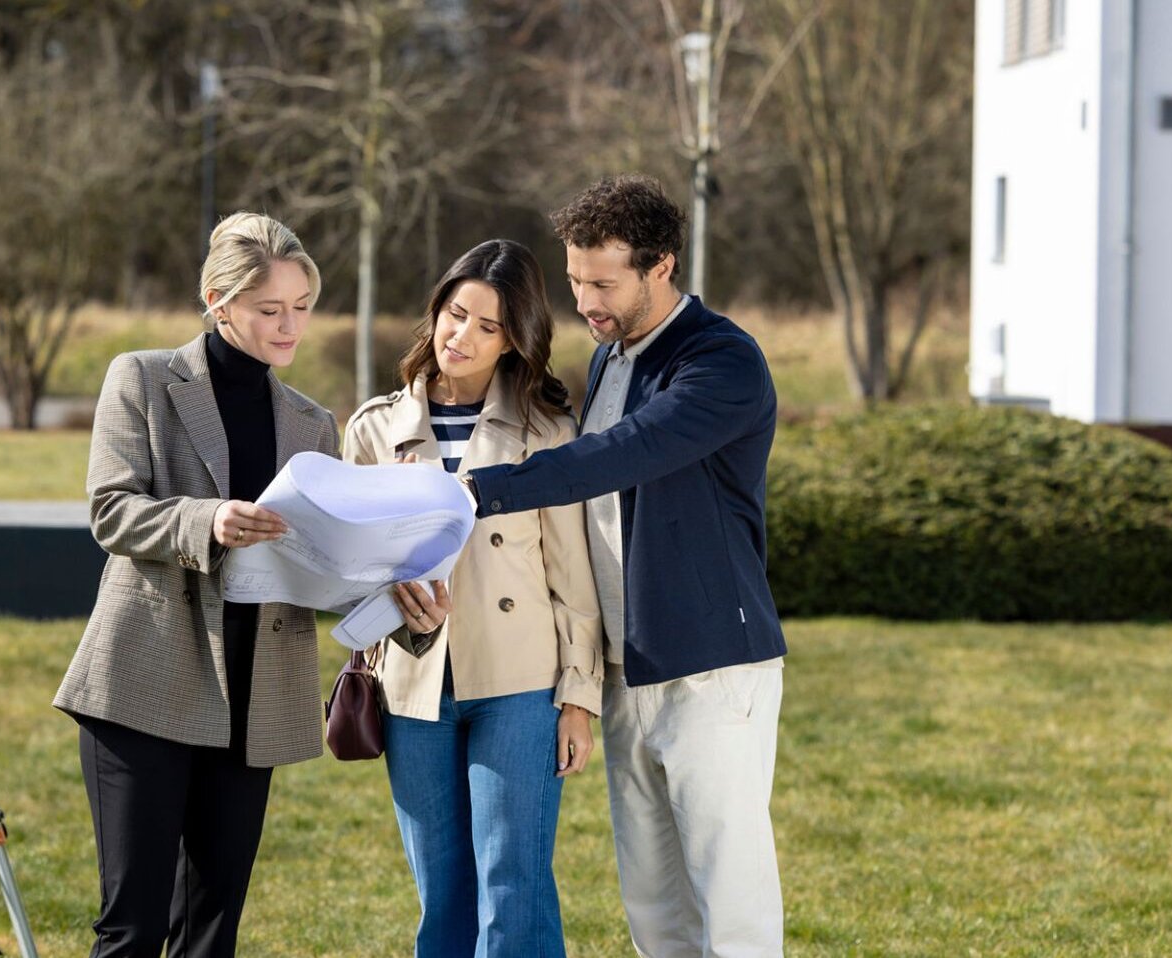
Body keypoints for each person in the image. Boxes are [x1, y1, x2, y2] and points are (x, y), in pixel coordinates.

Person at [54, 211, 449, 958]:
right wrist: (209, 521)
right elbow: (112, 511)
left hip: (255, 698)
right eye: (271, 310)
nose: (289, 325)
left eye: (301, 307)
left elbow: (323, 568)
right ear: (218, 299)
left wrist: (406, 612)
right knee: (132, 926)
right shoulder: (140, 379)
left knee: (213, 930)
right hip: (144, 681)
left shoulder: (310, 424)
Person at [461, 175, 787, 957]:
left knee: (728, 897)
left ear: (661, 265)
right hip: (626, 667)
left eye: (603, 283)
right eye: (575, 281)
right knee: (652, 902)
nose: (586, 302)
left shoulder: (721, 362)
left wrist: (476, 491)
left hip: (711, 667)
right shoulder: (610, 357)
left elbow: (620, 455)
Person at [344, 239, 603, 958]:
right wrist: (386, 593)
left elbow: (573, 578)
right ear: (436, 313)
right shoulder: (372, 430)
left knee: (515, 886)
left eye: (488, 327)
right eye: (456, 315)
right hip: (412, 686)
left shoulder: (547, 432)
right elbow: (349, 566)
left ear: (514, 341)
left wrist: (579, 698)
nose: (462, 337)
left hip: (521, 687)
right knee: (442, 892)